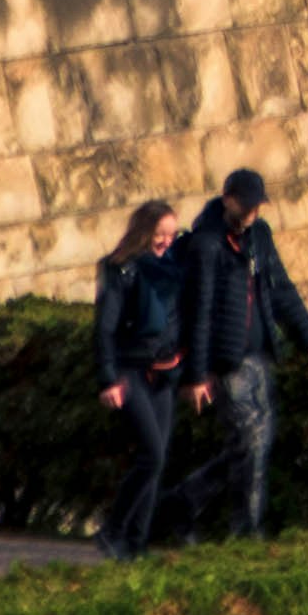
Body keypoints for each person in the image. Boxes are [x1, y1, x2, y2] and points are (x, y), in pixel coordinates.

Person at [177, 165, 308, 542]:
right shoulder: (207, 244)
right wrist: (197, 375)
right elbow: (198, 312)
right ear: (227, 200)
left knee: (252, 446)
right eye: (246, 205)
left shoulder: (259, 236)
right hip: (227, 361)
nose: (251, 212)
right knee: (252, 441)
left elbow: (281, 289)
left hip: (260, 354)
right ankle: (247, 533)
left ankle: (183, 503)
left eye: (256, 206)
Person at [87, 199, 194, 555]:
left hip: (164, 373)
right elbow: (105, 330)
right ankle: (113, 530)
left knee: (157, 461)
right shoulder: (122, 270)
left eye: (171, 235)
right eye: (159, 234)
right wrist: (108, 379)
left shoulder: (174, 267)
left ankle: (135, 543)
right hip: (131, 372)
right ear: (143, 232)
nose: (166, 241)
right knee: (152, 455)